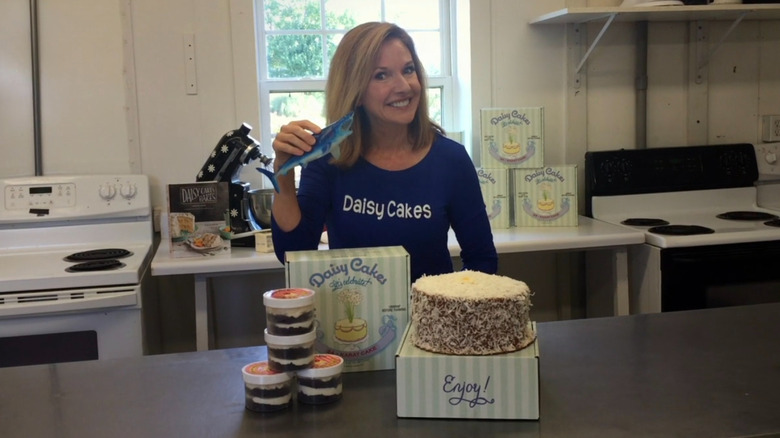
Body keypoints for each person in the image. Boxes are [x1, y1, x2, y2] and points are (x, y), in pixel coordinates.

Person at [269, 21, 497, 282]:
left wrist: (450, 310)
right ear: (354, 91)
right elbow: (292, 253)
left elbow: (482, 260)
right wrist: (283, 177)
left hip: (429, 321)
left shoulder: (451, 160)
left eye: (408, 70)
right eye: (381, 75)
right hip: (352, 320)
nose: (404, 86)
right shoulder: (329, 160)